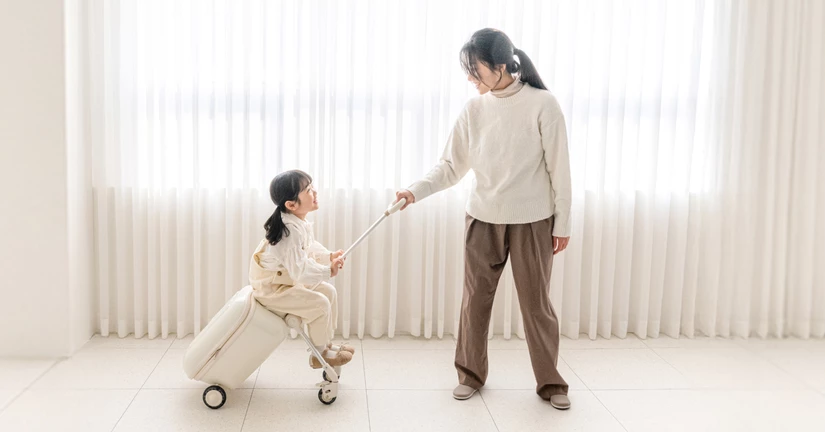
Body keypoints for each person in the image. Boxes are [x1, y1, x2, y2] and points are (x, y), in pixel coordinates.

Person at [395, 28, 572, 410]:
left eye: (475, 70)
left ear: (501, 65)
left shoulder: (544, 105)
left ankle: (551, 382)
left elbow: (561, 171)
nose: (470, 79)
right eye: (469, 72)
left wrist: (563, 224)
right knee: (475, 301)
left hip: (533, 220)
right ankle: (470, 374)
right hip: (482, 219)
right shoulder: (474, 110)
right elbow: (450, 166)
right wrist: (415, 191)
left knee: (536, 305)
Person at [249, 170, 356, 369]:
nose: (314, 191)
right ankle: (320, 354)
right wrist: (327, 271)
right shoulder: (289, 232)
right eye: (308, 190)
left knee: (328, 292)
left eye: (312, 186)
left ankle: (325, 344)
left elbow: (310, 247)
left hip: (286, 283)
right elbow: (300, 270)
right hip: (273, 290)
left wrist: (328, 256)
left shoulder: (298, 222)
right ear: (291, 205)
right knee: (321, 304)